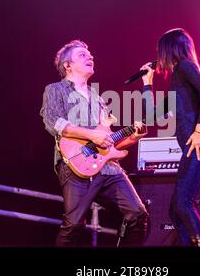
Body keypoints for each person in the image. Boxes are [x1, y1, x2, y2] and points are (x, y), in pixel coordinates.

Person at [40, 40, 148, 246]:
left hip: (107, 169)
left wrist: (132, 137)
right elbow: (53, 121)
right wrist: (91, 136)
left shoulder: (98, 99)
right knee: (74, 225)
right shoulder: (55, 90)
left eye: (90, 55)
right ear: (67, 65)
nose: (90, 57)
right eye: (82, 55)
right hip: (74, 165)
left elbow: (108, 143)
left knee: (138, 214)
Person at [140, 28, 200, 247]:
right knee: (177, 208)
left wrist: (199, 130)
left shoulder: (185, 67)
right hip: (192, 148)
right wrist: (147, 84)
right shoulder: (178, 82)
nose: (158, 56)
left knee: (182, 203)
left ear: (168, 49)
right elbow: (154, 116)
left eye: (159, 50)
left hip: (199, 145)